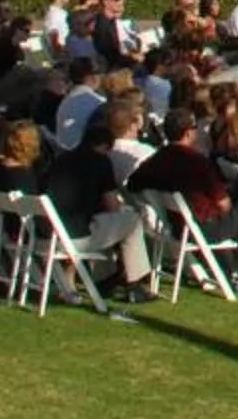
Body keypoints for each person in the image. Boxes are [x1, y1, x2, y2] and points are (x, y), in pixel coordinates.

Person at [128, 112, 238, 281]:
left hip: (177, 226)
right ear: (188, 133)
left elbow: (132, 184)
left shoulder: (157, 159)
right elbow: (224, 205)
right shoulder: (196, 161)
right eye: (194, 128)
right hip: (207, 227)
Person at [41, 116, 156, 302]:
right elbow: (112, 205)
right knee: (131, 221)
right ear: (105, 146)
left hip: (52, 232)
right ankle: (134, 283)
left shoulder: (61, 159)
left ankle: (105, 276)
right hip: (77, 237)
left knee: (109, 223)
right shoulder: (100, 162)